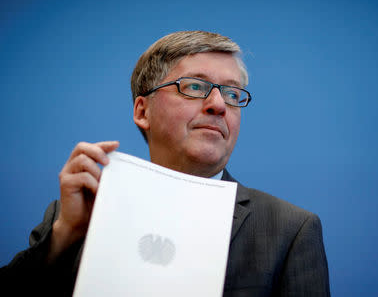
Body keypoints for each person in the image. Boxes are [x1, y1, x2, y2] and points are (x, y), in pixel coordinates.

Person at [1, 31, 330, 296]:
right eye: (195, 87)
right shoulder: (70, 218)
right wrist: (63, 238)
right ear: (143, 111)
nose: (218, 104)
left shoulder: (289, 230)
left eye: (232, 94)